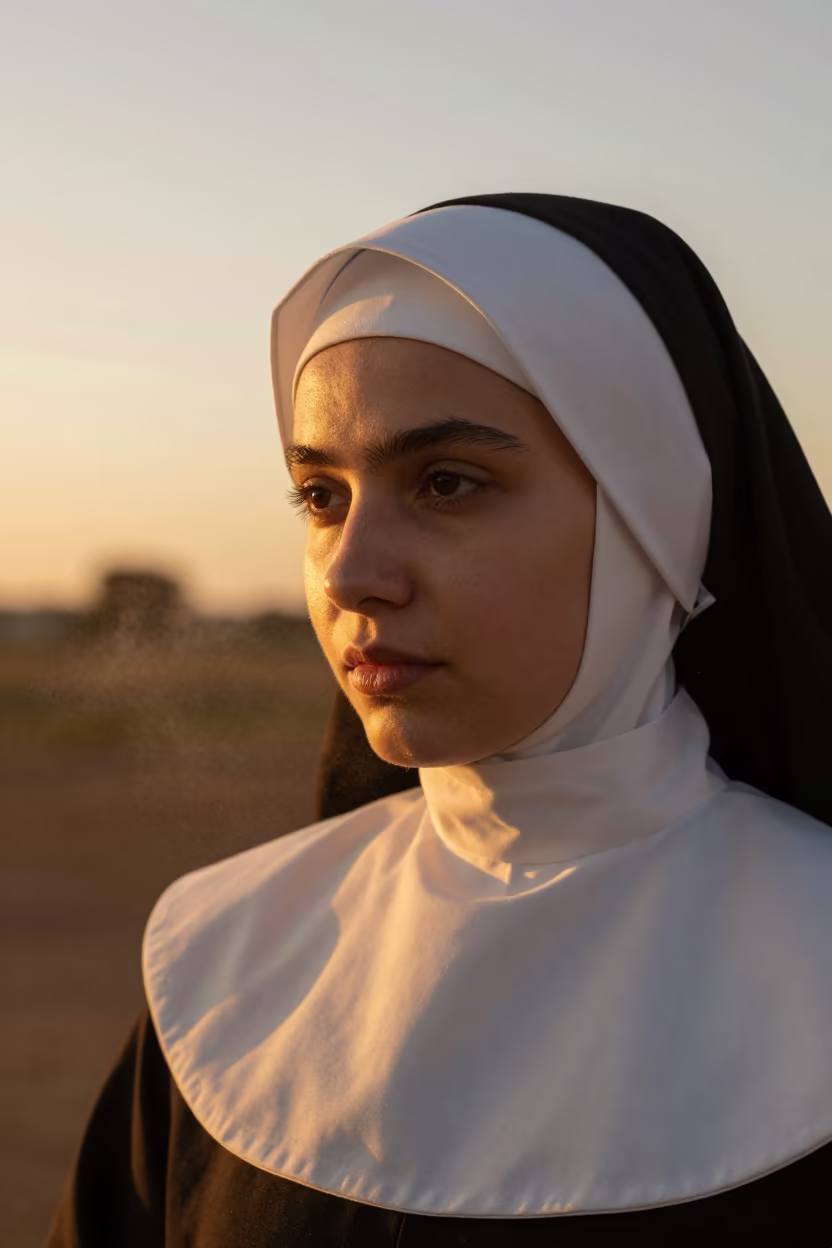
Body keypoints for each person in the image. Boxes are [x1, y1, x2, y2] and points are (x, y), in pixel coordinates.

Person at [47, 193, 832, 1246]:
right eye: (320, 497)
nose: (355, 575)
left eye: (447, 482)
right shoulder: (227, 966)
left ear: (657, 516)